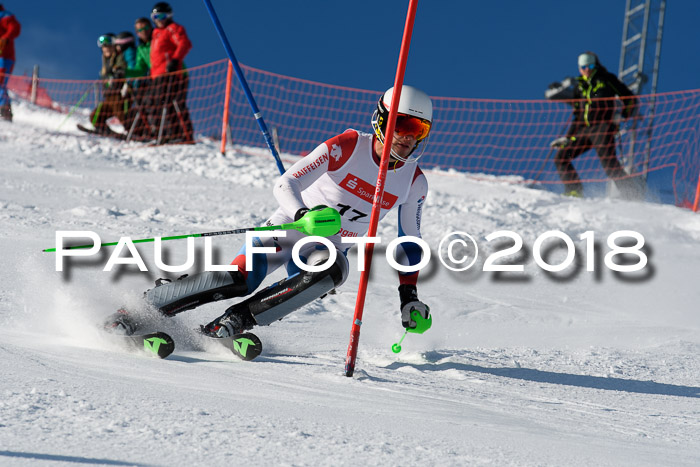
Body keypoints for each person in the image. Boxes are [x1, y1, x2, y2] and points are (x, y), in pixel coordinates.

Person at [104, 85, 433, 342]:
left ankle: (234, 322)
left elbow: (409, 245)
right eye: (402, 123)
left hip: (323, 249)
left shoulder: (414, 181)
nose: (407, 136)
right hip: (287, 229)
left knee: (331, 271)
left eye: (418, 130)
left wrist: (409, 298)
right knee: (239, 279)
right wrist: (303, 214)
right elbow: (285, 184)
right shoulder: (346, 146)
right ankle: (141, 308)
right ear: (381, 119)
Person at [548, 52, 639, 197]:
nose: (587, 70)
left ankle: (632, 194)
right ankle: (574, 191)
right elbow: (578, 115)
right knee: (561, 157)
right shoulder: (579, 87)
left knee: (609, 165)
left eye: (590, 66)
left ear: (595, 65)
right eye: (583, 67)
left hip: (602, 128)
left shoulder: (606, 80)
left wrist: (622, 115)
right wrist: (569, 137)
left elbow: (630, 99)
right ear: (579, 68)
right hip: (584, 131)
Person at [148, 2, 194, 144]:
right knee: (156, 103)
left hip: (169, 73)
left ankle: (181, 134)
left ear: (169, 16)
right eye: (155, 16)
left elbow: (184, 43)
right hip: (156, 75)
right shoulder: (155, 33)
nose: (158, 20)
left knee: (169, 102)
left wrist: (175, 60)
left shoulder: (173, 28)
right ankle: (164, 134)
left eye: (161, 16)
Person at [86, 33, 128, 135]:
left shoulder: (120, 58)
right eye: (103, 46)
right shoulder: (105, 61)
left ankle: (135, 132)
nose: (106, 48)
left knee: (122, 115)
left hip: (119, 95)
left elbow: (123, 71)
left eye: (108, 45)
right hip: (108, 96)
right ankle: (106, 131)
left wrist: (115, 73)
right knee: (95, 117)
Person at [0, 4, 21, 122]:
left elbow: (15, 28)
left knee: (0, 81)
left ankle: (4, 110)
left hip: (4, 57)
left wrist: (5, 38)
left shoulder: (4, 16)